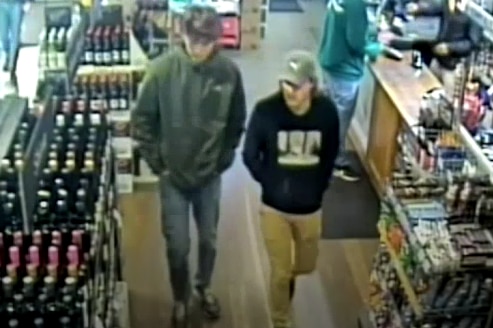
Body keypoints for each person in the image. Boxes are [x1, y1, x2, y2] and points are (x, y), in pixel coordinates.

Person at [131, 5, 246, 327]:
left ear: (215, 39)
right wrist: (159, 165)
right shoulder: (161, 70)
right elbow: (142, 122)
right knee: (177, 246)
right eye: (194, 40)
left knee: (209, 240)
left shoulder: (228, 72)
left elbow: (237, 120)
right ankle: (180, 297)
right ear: (181, 34)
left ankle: (203, 287)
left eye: (206, 42)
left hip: (210, 175)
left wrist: (224, 158)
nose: (199, 48)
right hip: (173, 177)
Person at [243, 50, 340, 328]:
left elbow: (331, 152)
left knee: (305, 266)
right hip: (274, 208)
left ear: (311, 84)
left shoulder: (327, 113)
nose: (288, 90)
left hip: (310, 209)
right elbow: (250, 155)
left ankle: (288, 285)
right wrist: (270, 182)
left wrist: (320, 185)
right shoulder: (265, 111)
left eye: (295, 85)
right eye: (285, 83)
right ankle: (280, 321)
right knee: (280, 271)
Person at [318, 0, 382, 182]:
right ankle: (336, 162)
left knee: (331, 114)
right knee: (340, 119)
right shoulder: (356, 5)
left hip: (330, 60)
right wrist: (377, 48)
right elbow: (356, 43)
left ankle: (325, 155)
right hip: (345, 70)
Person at [405, 0, 480, 95]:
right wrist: (420, 8)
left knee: (446, 102)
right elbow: (436, 7)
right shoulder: (449, 3)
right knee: (425, 93)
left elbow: (472, 43)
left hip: (453, 69)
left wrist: (449, 48)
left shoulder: (473, 13)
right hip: (437, 61)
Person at [0, 0, 29, 88]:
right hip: (2, 4)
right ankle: (8, 55)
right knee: (3, 35)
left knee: (15, 36)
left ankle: (12, 66)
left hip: (17, 4)